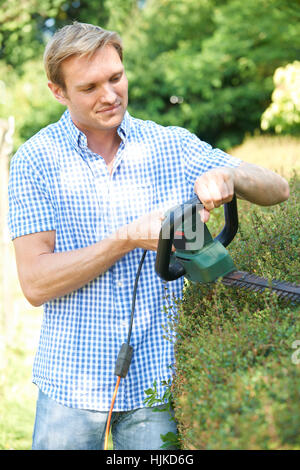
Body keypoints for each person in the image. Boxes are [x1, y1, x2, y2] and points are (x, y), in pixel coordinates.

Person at [8, 22, 289, 451]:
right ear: (57, 91)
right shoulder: (35, 162)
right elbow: (35, 282)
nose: (109, 95)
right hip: (71, 385)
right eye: (89, 87)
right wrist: (123, 240)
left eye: (116, 78)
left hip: (157, 382)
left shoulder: (170, 145)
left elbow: (278, 190)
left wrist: (231, 175)